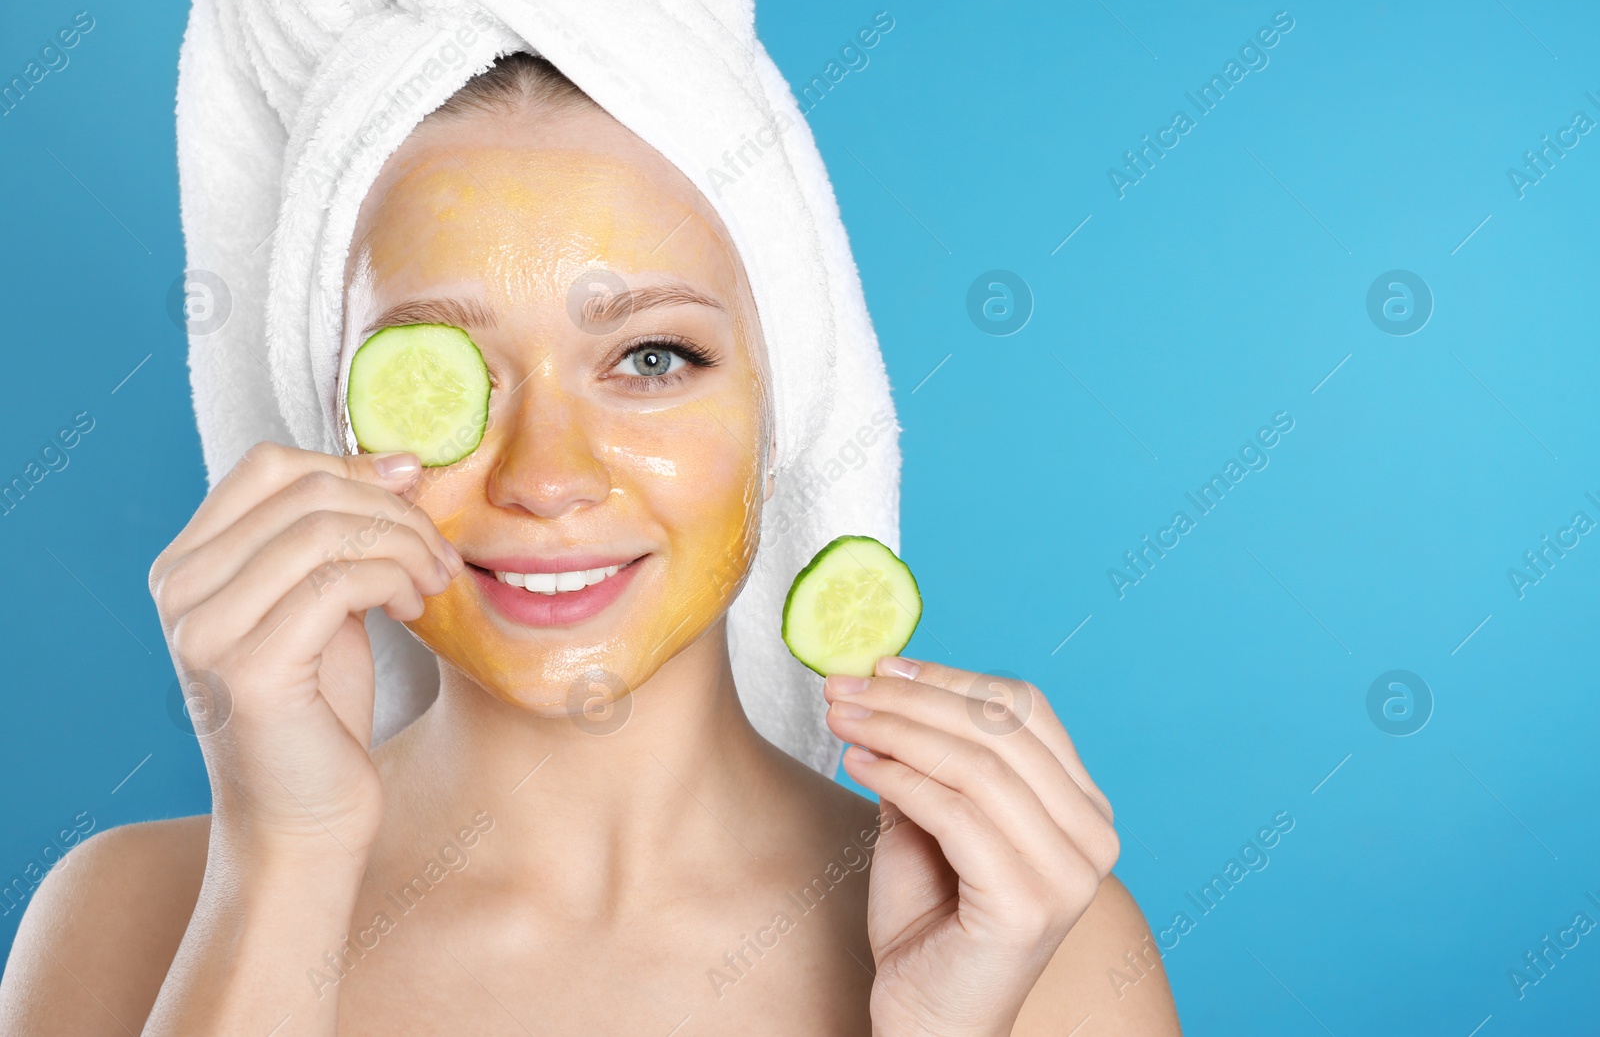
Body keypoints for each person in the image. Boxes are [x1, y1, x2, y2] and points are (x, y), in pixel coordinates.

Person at [0, 54, 1180, 1035]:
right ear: (332, 433)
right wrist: (285, 862)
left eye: (653, 357)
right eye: (441, 377)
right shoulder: (126, 916)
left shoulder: (1034, 952)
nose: (546, 476)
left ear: (787, 413)